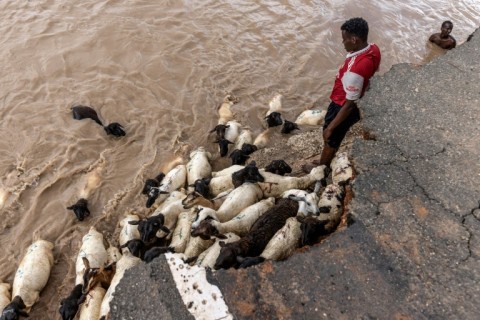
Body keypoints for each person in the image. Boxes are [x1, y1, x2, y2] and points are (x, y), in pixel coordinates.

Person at [302, 17, 381, 173]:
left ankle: (322, 167)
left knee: (331, 139)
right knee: (335, 135)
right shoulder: (373, 49)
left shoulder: (355, 70)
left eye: (344, 40)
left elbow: (350, 104)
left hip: (342, 104)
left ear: (354, 39)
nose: (342, 43)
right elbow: (372, 76)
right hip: (359, 97)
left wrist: (330, 128)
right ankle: (325, 160)